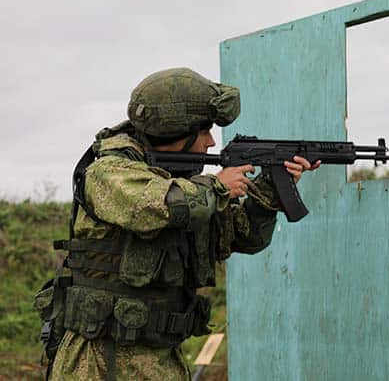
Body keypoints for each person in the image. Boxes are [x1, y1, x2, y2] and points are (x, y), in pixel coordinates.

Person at [39, 68, 320, 380]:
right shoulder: (108, 172)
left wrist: (269, 189)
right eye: (204, 132)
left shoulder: (185, 182)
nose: (211, 142)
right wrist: (217, 186)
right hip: (98, 362)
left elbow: (246, 235)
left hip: (160, 359)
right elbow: (156, 205)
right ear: (178, 131)